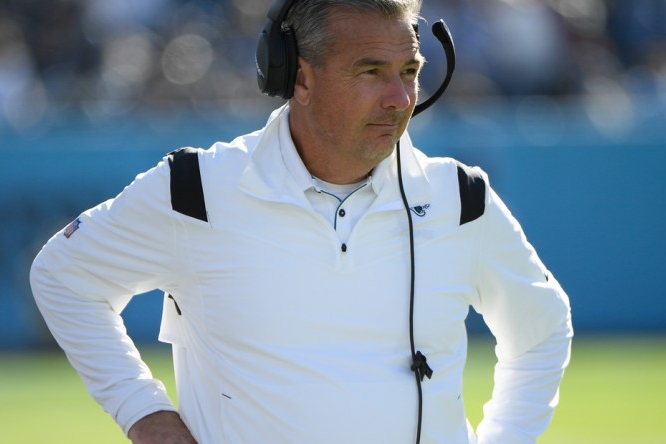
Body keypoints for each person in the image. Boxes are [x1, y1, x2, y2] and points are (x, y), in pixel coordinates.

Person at [30, 0, 573, 443]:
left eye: (409, 71)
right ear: (300, 78)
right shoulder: (195, 190)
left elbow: (542, 328)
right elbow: (62, 275)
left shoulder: (461, 198)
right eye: (370, 72)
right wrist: (143, 413)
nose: (401, 98)